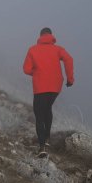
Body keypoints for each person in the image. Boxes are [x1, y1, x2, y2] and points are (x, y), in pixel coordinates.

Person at [23, 27, 74, 157]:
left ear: (40, 36)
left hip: (41, 86)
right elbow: (69, 59)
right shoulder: (58, 49)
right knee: (47, 108)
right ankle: (47, 138)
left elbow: (26, 69)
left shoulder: (33, 49)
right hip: (56, 87)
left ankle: (42, 148)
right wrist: (70, 78)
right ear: (51, 36)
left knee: (39, 115)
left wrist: (37, 72)